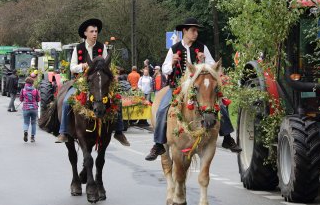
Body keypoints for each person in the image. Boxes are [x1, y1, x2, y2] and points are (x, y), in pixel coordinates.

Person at [145, 17, 242, 161]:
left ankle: (227, 137)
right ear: (185, 31)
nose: (196, 33)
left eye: (197, 30)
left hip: (200, 88)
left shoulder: (202, 48)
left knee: (222, 104)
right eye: (193, 30)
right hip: (177, 87)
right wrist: (172, 63)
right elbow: (165, 69)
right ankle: (158, 144)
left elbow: (213, 67)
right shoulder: (174, 48)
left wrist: (204, 61)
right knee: (161, 109)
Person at [55, 18, 130, 146]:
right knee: (67, 101)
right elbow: (72, 67)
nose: (95, 34)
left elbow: (108, 65)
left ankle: (119, 131)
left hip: (100, 82)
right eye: (92, 31)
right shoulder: (78, 48)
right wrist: (82, 66)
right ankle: (63, 132)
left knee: (117, 100)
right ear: (85, 33)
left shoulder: (102, 47)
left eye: (96, 31)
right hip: (81, 82)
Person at [20, 77, 40, 142]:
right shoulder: (36, 90)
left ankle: (25, 131)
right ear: (32, 83)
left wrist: (24, 99)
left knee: (26, 122)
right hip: (34, 108)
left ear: (26, 82)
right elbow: (38, 99)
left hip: (26, 108)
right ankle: (32, 137)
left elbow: (21, 99)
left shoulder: (23, 90)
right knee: (33, 123)